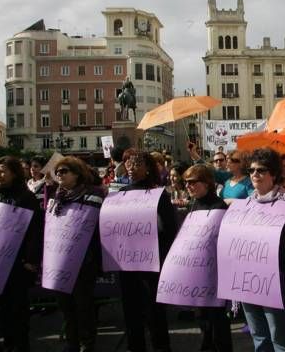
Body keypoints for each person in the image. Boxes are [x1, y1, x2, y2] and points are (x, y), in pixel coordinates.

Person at [242, 148, 285, 352]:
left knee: (280, 340)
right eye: (251, 170)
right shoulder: (246, 205)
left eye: (261, 170)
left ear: (273, 174)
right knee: (259, 337)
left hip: (276, 285)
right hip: (247, 282)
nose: (255, 174)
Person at [117, 150, 177, 352]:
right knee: (131, 310)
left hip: (151, 263)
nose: (131, 168)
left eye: (136, 164)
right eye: (128, 164)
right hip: (126, 263)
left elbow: (169, 229)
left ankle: (161, 347)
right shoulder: (120, 193)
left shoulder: (158, 194)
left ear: (148, 168)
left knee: (154, 311)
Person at [0, 156, 43, 352]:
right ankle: (8, 343)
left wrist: (31, 260)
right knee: (2, 307)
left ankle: (20, 345)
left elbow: (35, 230)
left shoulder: (26, 198)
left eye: (2, 171)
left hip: (19, 263)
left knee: (18, 307)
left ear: (14, 173)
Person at [47, 157, 105, 352]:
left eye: (64, 171)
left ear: (77, 174)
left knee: (83, 304)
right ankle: (72, 342)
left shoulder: (93, 194)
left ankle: (86, 343)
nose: (59, 175)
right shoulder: (56, 197)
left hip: (83, 260)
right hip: (59, 260)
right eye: (58, 172)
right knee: (66, 305)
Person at [183, 164, 232, 352]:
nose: (188, 186)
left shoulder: (218, 206)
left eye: (192, 182)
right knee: (202, 317)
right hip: (198, 271)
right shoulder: (195, 205)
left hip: (215, 273)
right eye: (186, 182)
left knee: (217, 319)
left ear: (206, 183)